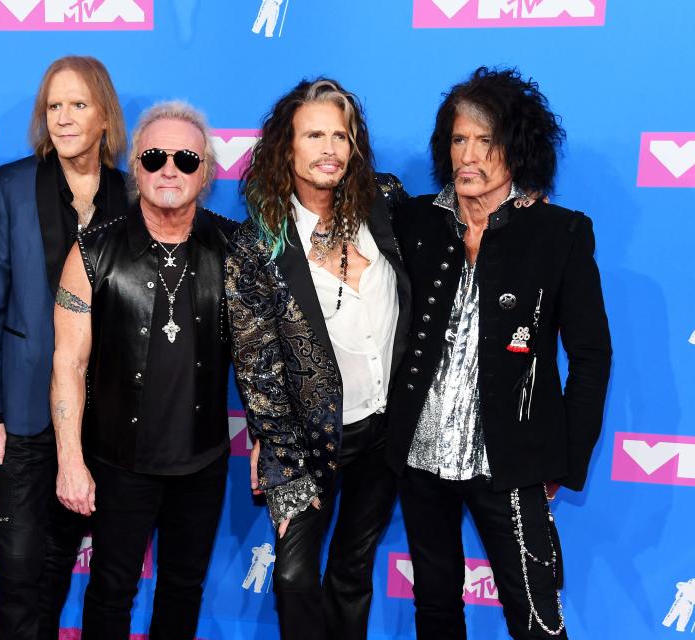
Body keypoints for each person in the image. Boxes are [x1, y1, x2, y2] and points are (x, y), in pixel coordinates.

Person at [387, 66, 612, 639]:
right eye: (459, 139)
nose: (469, 155)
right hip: (420, 454)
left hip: (511, 462)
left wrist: (563, 458)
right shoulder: (415, 221)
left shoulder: (559, 233)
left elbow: (591, 357)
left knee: (536, 619)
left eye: (485, 141)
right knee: (435, 610)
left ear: (516, 148)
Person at [225, 78, 410, 639]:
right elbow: (257, 368)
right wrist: (281, 460)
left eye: (341, 135)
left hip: (388, 430)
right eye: (314, 135)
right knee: (294, 575)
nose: (329, 148)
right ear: (287, 147)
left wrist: (518, 202)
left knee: (353, 570)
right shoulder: (259, 246)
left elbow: (455, 218)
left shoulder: (387, 203)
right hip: (310, 440)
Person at [50, 101, 237, 639]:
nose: (169, 169)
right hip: (118, 462)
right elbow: (68, 363)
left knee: (184, 589)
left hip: (201, 462)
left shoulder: (235, 248)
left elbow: (260, 360)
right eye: (154, 157)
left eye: (185, 158)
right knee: (111, 590)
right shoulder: (91, 252)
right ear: (136, 168)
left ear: (206, 171)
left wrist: (272, 448)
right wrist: (70, 462)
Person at [0, 55, 128, 640]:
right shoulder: (10, 185)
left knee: (60, 554)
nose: (63, 118)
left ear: (104, 117)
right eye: (53, 106)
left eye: (78, 105)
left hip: (104, 416)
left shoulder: (129, 192)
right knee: (16, 560)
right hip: (19, 409)